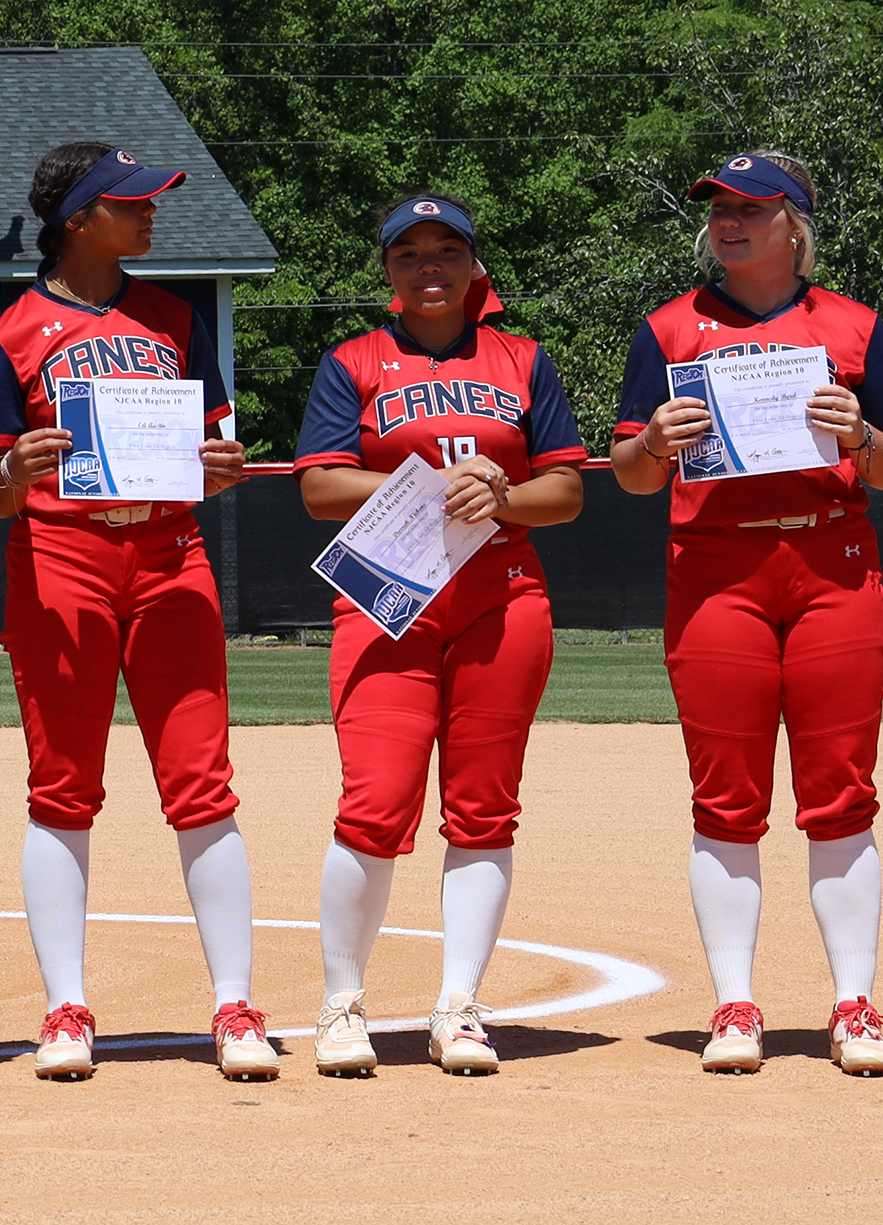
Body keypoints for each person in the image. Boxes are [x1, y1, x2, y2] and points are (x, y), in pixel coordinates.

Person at [610, 151, 883, 1077]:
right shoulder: (668, 328)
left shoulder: (854, 327)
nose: (729, 222)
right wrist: (653, 445)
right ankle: (734, 1003)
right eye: (718, 208)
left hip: (831, 559)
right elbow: (628, 472)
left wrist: (860, 436)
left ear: (795, 222)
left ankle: (854, 1004)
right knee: (726, 796)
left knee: (841, 792)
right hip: (716, 570)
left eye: (750, 207)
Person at [0, 143, 273, 1083]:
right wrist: (11, 471)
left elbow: (214, 447)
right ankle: (65, 1006)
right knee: (62, 785)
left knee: (202, 783)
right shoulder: (10, 334)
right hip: (62, 555)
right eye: (128, 202)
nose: (150, 214)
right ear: (76, 219)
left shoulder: (176, 317)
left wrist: (222, 466)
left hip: (170, 555)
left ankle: (235, 1003)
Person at [293, 194, 585, 1077]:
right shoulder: (355, 362)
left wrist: (498, 495)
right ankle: (342, 1002)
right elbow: (318, 485)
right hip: (390, 597)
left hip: (501, 595)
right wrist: (431, 480)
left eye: (446, 251)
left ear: (473, 267)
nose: (429, 267)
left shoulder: (523, 358)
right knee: (374, 807)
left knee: (484, 810)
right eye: (409, 253)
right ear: (387, 270)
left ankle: (460, 1005)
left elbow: (566, 491)